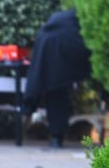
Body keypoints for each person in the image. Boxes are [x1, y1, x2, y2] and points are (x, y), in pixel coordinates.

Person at [22, 8, 93, 148]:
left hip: (52, 65)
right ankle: (57, 135)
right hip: (72, 53)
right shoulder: (76, 22)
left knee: (55, 94)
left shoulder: (48, 32)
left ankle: (56, 137)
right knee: (58, 93)